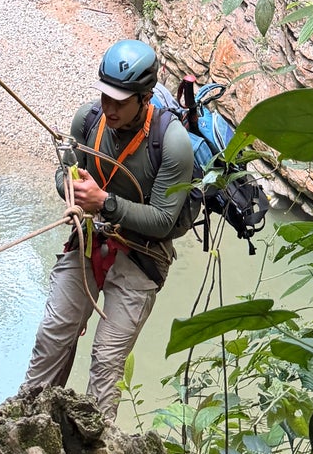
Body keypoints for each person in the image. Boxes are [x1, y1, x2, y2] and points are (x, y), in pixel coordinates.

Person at [21, 38, 193, 422]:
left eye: (120, 101)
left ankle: (96, 441)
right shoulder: (88, 120)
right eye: (105, 97)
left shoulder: (171, 144)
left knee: (106, 360)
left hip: (142, 256)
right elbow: (63, 174)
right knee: (53, 334)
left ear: (144, 98)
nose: (109, 108)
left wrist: (104, 202)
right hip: (89, 239)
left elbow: (163, 221)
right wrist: (72, 189)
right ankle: (26, 420)